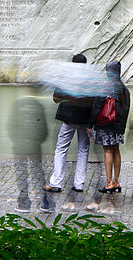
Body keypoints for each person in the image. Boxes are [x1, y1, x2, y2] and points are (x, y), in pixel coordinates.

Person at [43, 53, 92, 195]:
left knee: (61, 149)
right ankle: (79, 184)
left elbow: (56, 98)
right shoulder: (90, 79)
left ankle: (56, 183)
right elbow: (94, 101)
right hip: (85, 119)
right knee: (83, 149)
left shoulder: (65, 78)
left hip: (69, 118)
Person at [89, 61, 130, 197]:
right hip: (118, 124)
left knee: (107, 150)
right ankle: (117, 181)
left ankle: (109, 182)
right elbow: (126, 109)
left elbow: (96, 107)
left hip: (106, 123)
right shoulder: (124, 88)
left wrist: (90, 124)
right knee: (116, 149)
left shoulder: (104, 86)